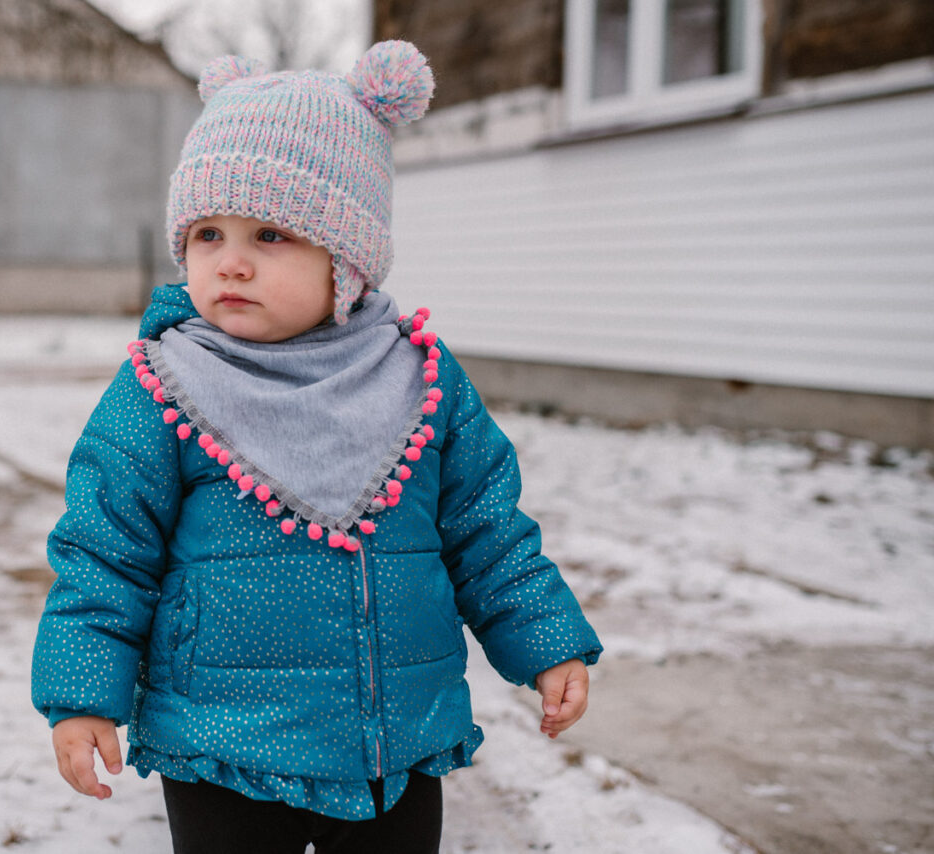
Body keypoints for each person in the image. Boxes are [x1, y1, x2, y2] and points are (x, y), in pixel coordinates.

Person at [32, 40, 602, 854]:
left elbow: (487, 532)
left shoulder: (420, 382)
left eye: (270, 234)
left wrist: (545, 643)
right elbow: (104, 552)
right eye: (206, 234)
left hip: (389, 742)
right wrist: (84, 694)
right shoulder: (164, 387)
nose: (229, 261)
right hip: (220, 744)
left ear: (347, 260)